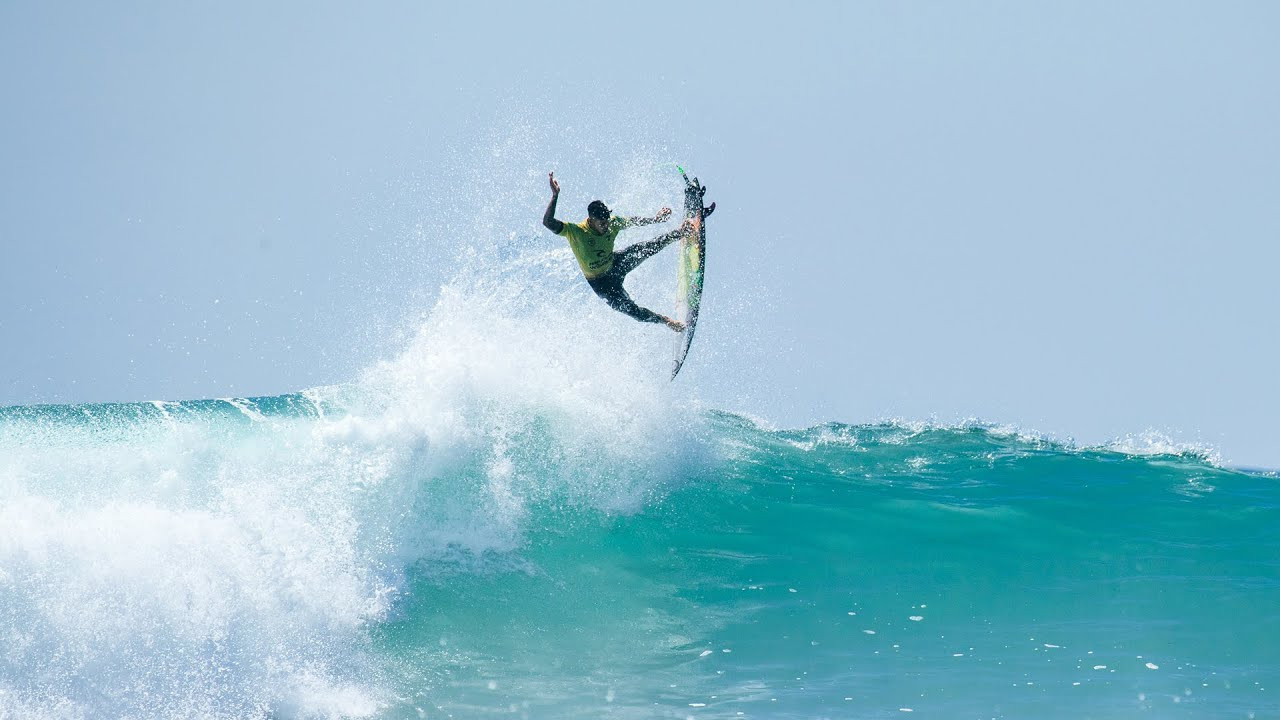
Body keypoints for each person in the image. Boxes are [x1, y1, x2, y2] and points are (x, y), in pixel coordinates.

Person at [542, 172, 696, 331]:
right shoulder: (576, 232)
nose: (606, 226)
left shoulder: (613, 223)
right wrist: (555, 196)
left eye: (607, 221)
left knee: (646, 248)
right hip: (603, 286)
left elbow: (635, 221)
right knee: (635, 313)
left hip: (615, 264)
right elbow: (547, 222)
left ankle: (681, 232)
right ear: (591, 220)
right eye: (602, 223)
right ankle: (667, 321)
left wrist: (655, 219)